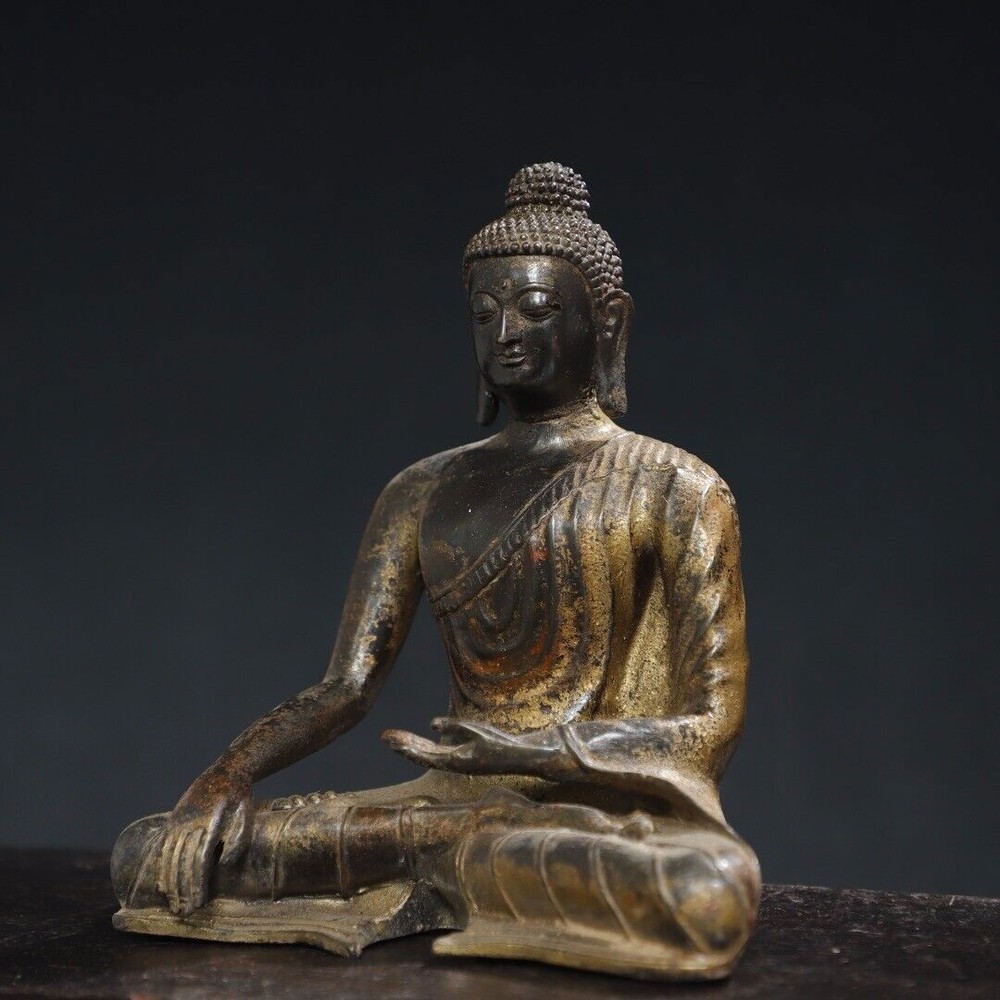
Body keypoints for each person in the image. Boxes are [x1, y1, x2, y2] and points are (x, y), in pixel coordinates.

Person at [112, 163, 760, 981]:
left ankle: (462, 863)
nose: (506, 334)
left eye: (536, 308)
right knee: (149, 853)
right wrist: (226, 776)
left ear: (609, 321)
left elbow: (710, 724)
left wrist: (543, 752)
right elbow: (345, 687)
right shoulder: (420, 490)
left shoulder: (677, 487)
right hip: (433, 815)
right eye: (484, 314)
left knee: (705, 891)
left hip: (582, 818)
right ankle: (452, 863)